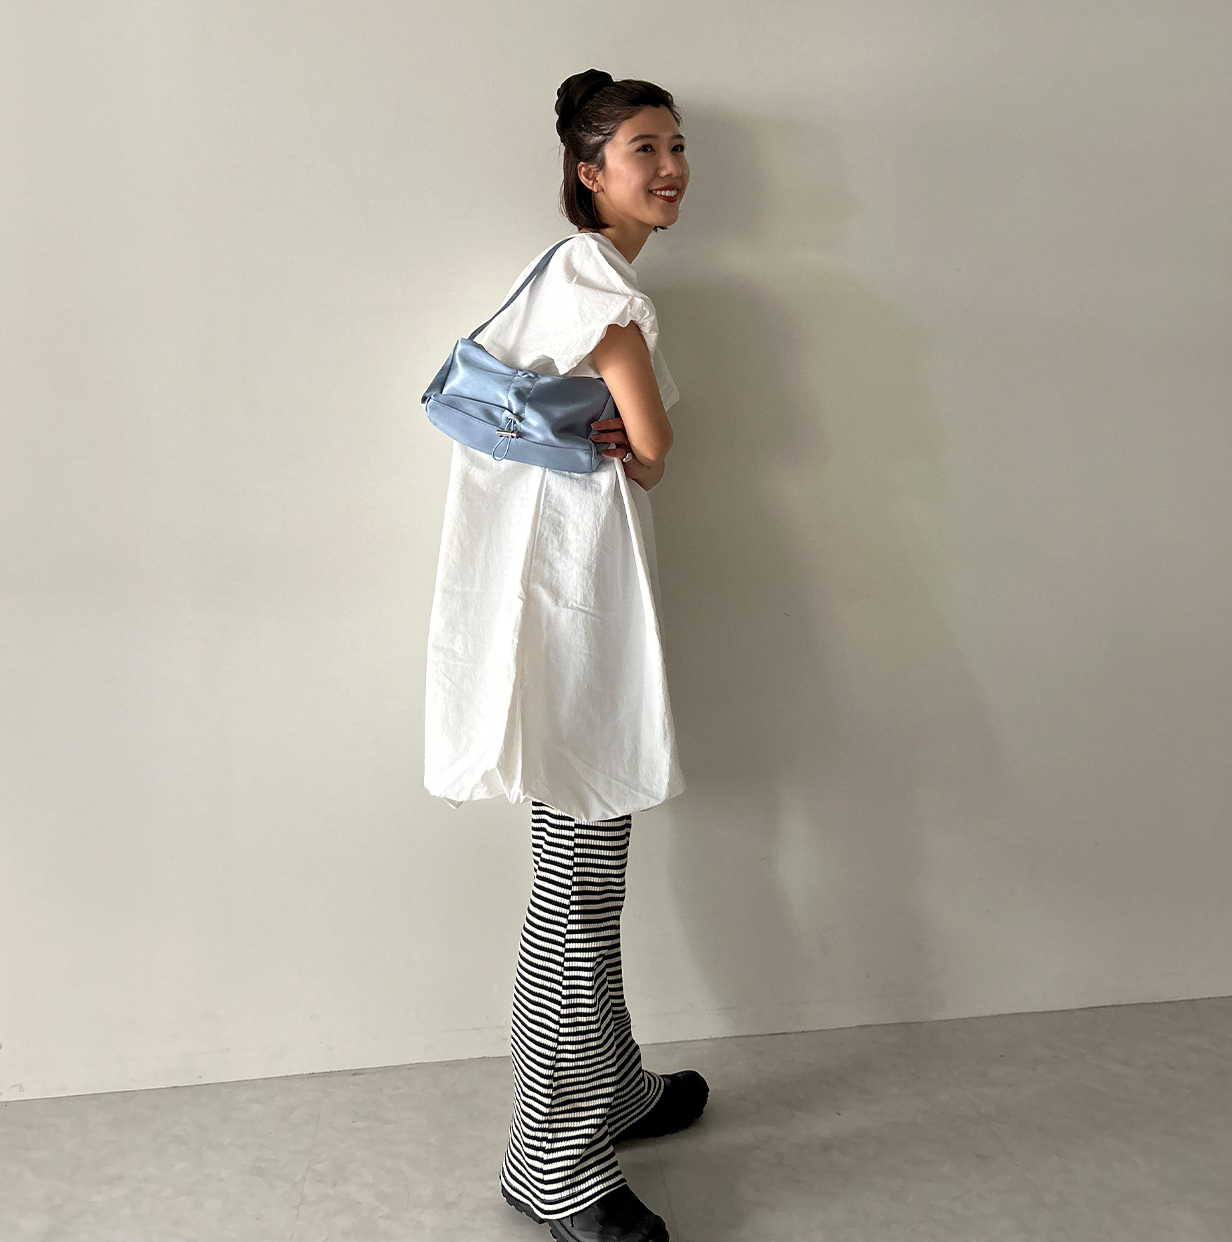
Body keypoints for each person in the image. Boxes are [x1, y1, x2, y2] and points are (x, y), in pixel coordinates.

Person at [424, 70, 708, 1242]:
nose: (672, 167)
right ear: (590, 173)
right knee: (578, 891)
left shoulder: (570, 274)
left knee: (589, 863)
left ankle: (618, 1087)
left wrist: (632, 446)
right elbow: (652, 443)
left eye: (677, 145)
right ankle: (553, 1161)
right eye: (645, 148)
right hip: (569, 606)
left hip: (559, 595)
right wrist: (644, 446)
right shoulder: (597, 280)